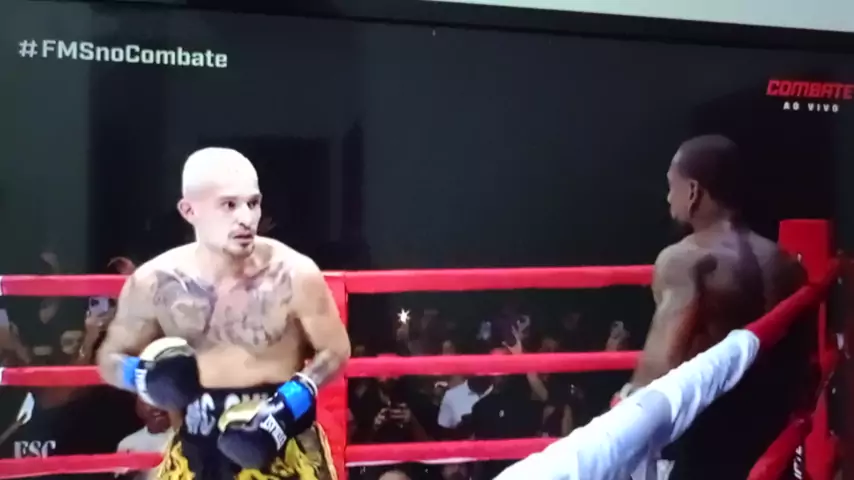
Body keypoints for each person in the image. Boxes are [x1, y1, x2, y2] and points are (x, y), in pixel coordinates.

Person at [96, 147, 351, 479]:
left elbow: (336, 350)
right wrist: (142, 377)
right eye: (229, 205)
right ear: (189, 211)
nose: (246, 218)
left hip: (283, 448)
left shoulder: (294, 274)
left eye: (253, 203)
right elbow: (109, 358)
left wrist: (286, 407)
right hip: (195, 451)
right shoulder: (154, 282)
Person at [616, 134, 813, 479]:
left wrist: (623, 409)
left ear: (693, 191)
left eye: (672, 186)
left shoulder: (684, 259)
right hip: (766, 428)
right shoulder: (784, 263)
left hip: (705, 439)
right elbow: (800, 361)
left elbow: (662, 362)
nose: (668, 197)